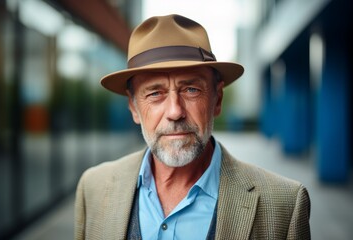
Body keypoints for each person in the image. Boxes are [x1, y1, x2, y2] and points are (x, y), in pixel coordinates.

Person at [75, 14, 310, 240]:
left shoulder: (285, 204)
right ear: (134, 108)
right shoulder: (93, 189)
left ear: (217, 100)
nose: (175, 111)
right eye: (155, 93)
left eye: (191, 90)